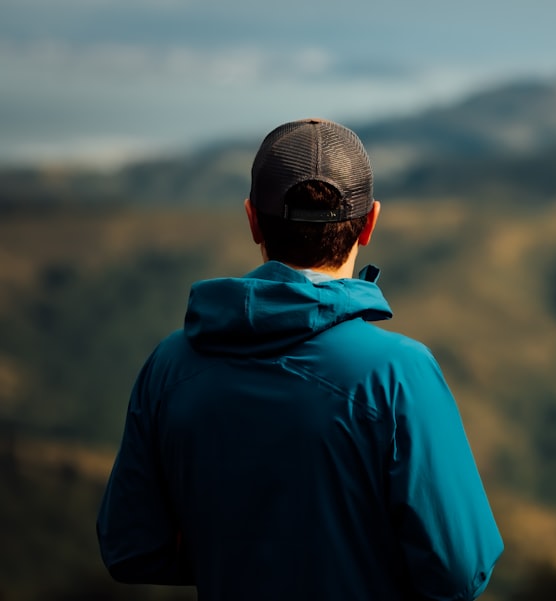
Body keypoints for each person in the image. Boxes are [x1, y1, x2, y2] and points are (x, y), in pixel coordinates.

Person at [97, 118, 504, 600]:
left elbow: (130, 547)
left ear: (252, 220)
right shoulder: (398, 374)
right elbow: (460, 570)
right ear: (370, 222)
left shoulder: (170, 365)